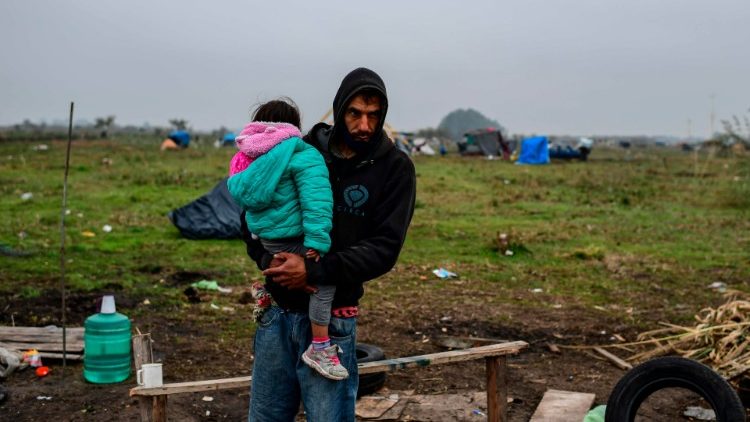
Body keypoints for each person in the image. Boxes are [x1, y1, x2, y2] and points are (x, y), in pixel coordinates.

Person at [242, 67, 417, 421]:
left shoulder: (394, 169)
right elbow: (252, 210)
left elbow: (384, 248)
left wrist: (313, 268)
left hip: (332, 320)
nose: (364, 125)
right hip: (277, 313)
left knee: (329, 417)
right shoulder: (299, 150)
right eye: (355, 113)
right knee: (266, 416)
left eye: (373, 115)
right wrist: (266, 259)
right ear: (339, 110)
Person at [226, 99, 349, 380]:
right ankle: (319, 346)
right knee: (325, 281)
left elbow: (248, 206)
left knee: (287, 271)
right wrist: (318, 241)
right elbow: (316, 201)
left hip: (266, 240)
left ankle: (268, 292)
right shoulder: (303, 154)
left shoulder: (244, 160)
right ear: (293, 127)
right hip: (293, 237)